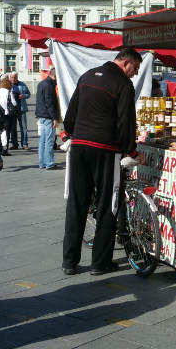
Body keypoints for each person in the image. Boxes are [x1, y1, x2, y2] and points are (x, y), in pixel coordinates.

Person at [62, 48, 142, 275]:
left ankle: (69, 261)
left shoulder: (87, 75)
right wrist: (132, 151)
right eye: (135, 68)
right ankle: (99, 262)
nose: (134, 74)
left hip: (79, 148)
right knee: (109, 204)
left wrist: (70, 133)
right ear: (126, 62)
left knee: (77, 203)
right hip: (106, 151)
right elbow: (126, 123)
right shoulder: (123, 85)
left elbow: (71, 113)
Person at [35, 67, 60, 170]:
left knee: (43, 141)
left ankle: (42, 163)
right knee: (49, 141)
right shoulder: (49, 85)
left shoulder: (42, 83)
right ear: (55, 76)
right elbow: (49, 103)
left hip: (42, 115)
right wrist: (54, 118)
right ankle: (49, 163)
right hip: (48, 116)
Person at [10, 72, 31, 149]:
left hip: (21, 109)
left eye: (14, 77)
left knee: (23, 127)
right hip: (12, 110)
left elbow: (28, 94)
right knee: (13, 128)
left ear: (17, 77)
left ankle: (24, 144)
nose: (13, 79)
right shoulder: (8, 85)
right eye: (12, 77)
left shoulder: (22, 84)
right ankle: (14, 144)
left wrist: (24, 96)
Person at [0, 77, 16, 156]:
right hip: (7, 114)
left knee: (0, 131)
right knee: (7, 132)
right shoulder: (9, 92)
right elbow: (14, 103)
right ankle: (5, 149)